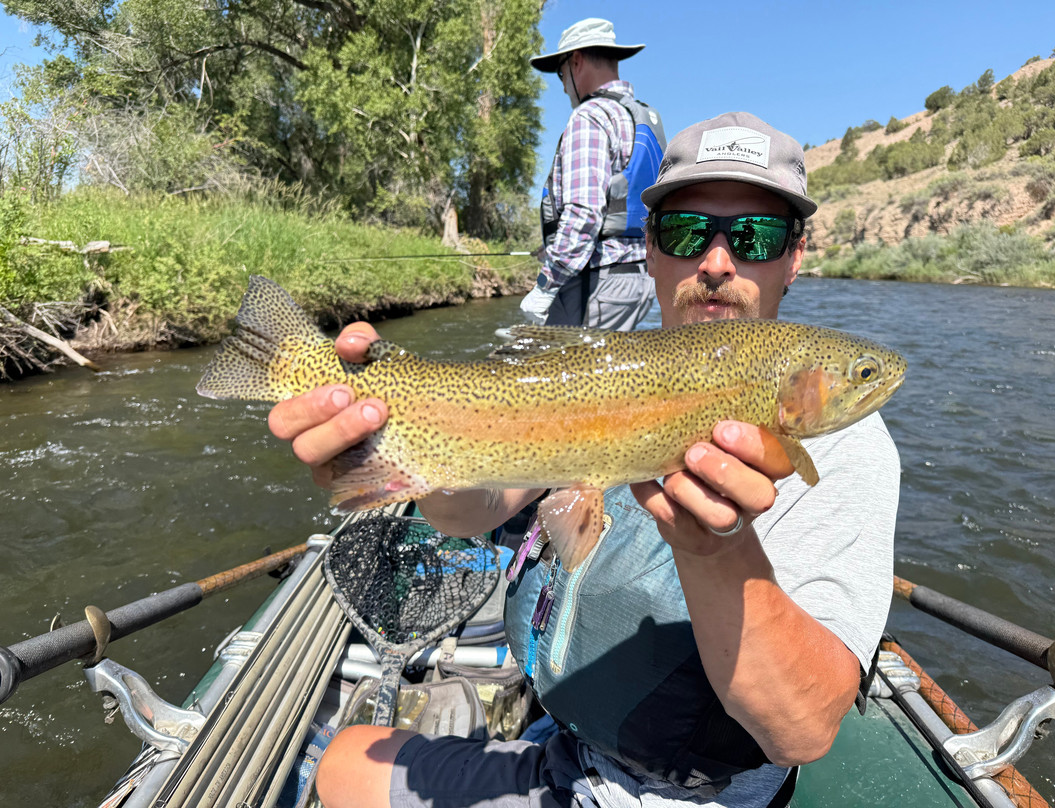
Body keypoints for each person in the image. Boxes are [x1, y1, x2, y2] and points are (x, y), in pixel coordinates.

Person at [268, 112, 900, 808]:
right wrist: (397, 448)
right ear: (652, 250)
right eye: (688, 230)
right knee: (343, 760)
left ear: (794, 257)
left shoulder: (848, 452)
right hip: (566, 747)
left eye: (755, 235)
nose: (717, 261)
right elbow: (477, 507)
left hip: (677, 797)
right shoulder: (601, 366)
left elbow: (804, 731)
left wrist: (717, 551)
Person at [520, 17, 666, 331]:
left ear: (576, 62)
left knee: (555, 377)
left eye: (560, 74)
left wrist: (547, 284)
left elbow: (584, 214)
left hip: (598, 284)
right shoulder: (640, 116)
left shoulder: (591, 116)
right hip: (640, 281)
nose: (561, 85)